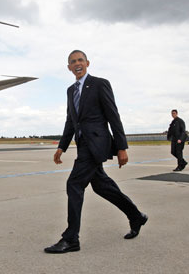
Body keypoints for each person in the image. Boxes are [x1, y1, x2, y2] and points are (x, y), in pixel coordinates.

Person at [45, 50, 147, 254]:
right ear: (68, 67)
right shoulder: (70, 91)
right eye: (73, 62)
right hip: (83, 145)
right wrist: (61, 146)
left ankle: (71, 239)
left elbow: (113, 115)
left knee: (74, 184)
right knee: (102, 186)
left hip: (98, 144)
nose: (77, 64)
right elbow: (70, 121)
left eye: (80, 60)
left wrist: (121, 146)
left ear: (87, 63)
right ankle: (136, 216)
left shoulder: (100, 84)